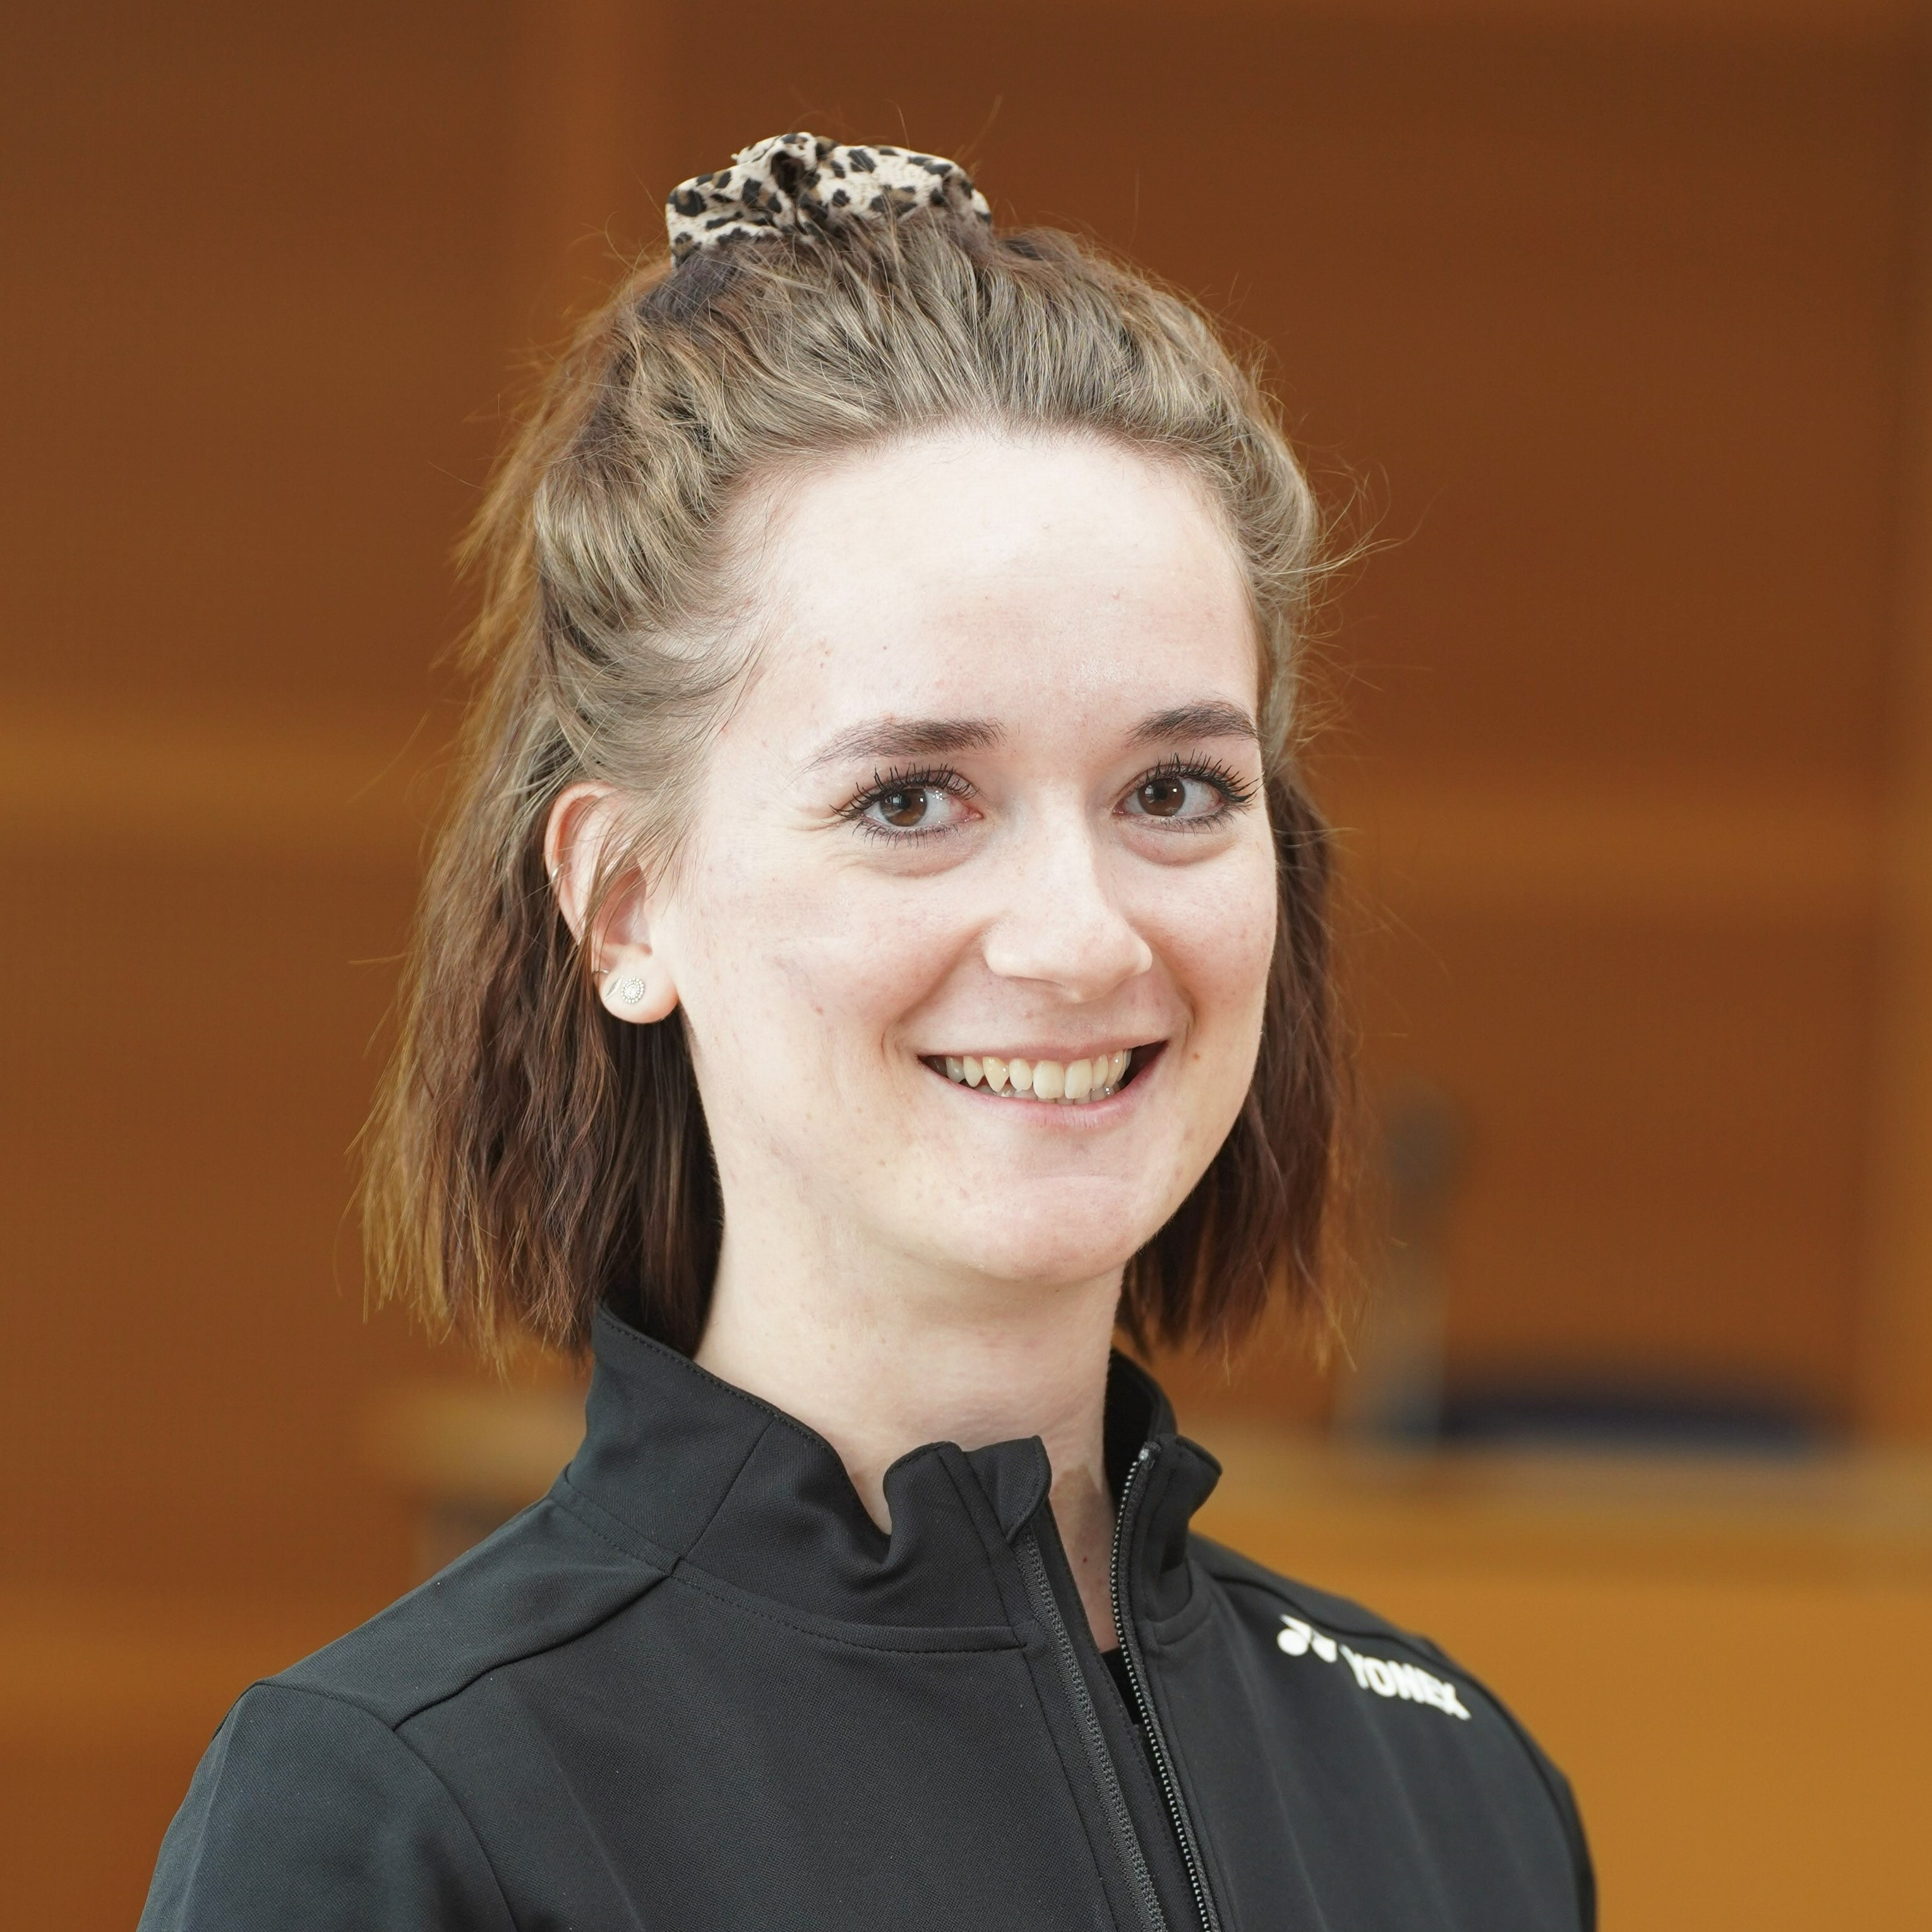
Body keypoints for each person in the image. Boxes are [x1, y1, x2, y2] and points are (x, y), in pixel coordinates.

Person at [140, 132, 1593, 1931]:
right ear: (626, 902)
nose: (1079, 936)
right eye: (912, 800)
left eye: (1173, 789)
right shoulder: (402, 1810)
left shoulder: (1456, 1793)